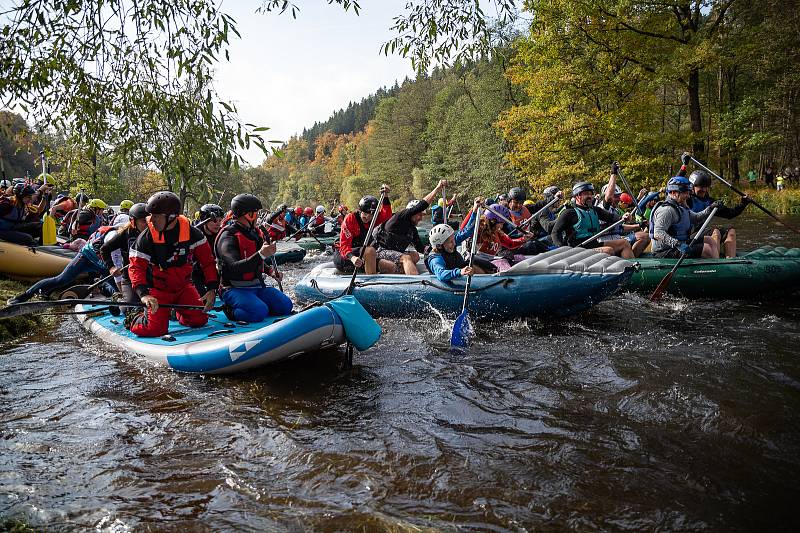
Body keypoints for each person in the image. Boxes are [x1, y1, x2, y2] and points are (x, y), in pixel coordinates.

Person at [127, 191, 217, 337]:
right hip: (157, 291)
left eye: (156, 216)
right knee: (155, 330)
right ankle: (135, 317)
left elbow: (208, 262)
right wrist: (144, 295)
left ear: (171, 217)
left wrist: (212, 289)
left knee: (200, 320)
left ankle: (178, 312)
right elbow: (136, 267)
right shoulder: (146, 237)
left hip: (183, 287)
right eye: (151, 215)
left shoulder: (193, 234)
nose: (151, 220)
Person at [215, 194, 292, 322]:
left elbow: (257, 262)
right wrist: (261, 254)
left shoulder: (255, 232)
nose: (257, 216)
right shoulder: (228, 235)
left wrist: (271, 271)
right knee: (258, 311)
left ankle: (255, 305)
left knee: (285, 306)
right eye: (256, 212)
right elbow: (233, 267)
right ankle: (231, 310)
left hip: (256, 286)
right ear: (248, 214)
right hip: (233, 288)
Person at [8, 216, 120, 304]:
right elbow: (103, 252)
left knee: (119, 290)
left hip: (102, 265)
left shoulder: (131, 239)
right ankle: (23, 296)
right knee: (61, 280)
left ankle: (106, 291)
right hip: (86, 257)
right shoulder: (113, 236)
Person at [373, 180, 449, 275]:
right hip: (380, 252)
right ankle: (414, 282)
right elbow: (422, 205)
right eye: (419, 215)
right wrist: (437, 189)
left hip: (394, 254)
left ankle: (401, 270)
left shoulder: (412, 229)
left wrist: (435, 248)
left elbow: (420, 248)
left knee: (415, 255)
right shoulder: (399, 217)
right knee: (406, 258)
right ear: (411, 212)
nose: (421, 218)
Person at [550, 181, 635, 258]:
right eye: (586, 194)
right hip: (578, 249)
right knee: (608, 250)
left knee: (624, 243)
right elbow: (555, 232)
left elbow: (611, 217)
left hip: (593, 244)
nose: (590, 196)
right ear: (577, 196)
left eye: (591, 194)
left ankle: (632, 271)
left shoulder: (595, 210)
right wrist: (562, 249)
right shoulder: (569, 213)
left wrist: (623, 217)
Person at [650, 176, 721, 259]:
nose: (688, 196)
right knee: (707, 249)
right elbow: (658, 233)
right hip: (665, 251)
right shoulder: (667, 210)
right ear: (673, 193)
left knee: (710, 240)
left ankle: (716, 264)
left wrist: (711, 208)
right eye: (685, 192)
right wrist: (677, 244)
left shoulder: (681, 206)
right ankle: (713, 266)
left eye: (688, 192)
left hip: (680, 243)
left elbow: (696, 217)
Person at [687, 169, 751, 258]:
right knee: (715, 232)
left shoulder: (710, 202)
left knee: (731, 232)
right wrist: (683, 167)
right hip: (690, 235)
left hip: (702, 233)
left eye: (706, 187)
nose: (704, 190)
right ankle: (715, 261)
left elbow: (730, 214)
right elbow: (673, 188)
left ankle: (730, 261)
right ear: (692, 187)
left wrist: (743, 204)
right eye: (701, 187)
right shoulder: (686, 199)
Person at [334, 186, 394, 274]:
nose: (367, 217)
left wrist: (385, 196)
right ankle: (371, 283)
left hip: (363, 256)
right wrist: (352, 258)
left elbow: (387, 214)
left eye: (371, 215)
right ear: (360, 210)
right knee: (370, 250)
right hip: (345, 256)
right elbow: (344, 245)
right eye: (365, 213)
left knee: (391, 267)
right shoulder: (350, 219)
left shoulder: (373, 219)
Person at [425, 197, 487, 281]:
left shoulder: (450, 243)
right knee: (470, 267)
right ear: (439, 246)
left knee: (477, 264)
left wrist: (475, 211)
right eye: (450, 242)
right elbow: (441, 275)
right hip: (446, 280)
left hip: (457, 270)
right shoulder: (435, 258)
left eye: (453, 240)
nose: (454, 244)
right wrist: (459, 272)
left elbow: (467, 231)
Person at [99, 202, 149, 306]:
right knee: (129, 308)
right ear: (133, 222)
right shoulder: (125, 234)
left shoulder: (155, 233)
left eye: (149, 220)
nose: (148, 224)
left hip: (150, 277)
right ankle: (111, 292)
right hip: (130, 278)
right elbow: (104, 249)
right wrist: (111, 267)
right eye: (144, 221)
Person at [596, 165, 650, 257]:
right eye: (616, 196)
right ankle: (629, 263)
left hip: (617, 237)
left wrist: (639, 225)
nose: (618, 199)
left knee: (644, 237)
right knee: (624, 243)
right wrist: (613, 174)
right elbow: (608, 197)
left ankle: (632, 257)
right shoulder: (603, 207)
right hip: (605, 241)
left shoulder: (615, 209)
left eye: (618, 196)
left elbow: (620, 227)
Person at [476, 204, 534, 271]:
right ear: (493, 221)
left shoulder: (497, 232)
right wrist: (474, 210)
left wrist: (524, 239)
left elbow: (511, 244)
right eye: (501, 223)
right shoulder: (479, 230)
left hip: (490, 261)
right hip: (478, 263)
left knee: (518, 258)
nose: (502, 226)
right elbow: (465, 229)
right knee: (502, 262)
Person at [192, 203, 225, 295]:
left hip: (216, 271)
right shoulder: (195, 235)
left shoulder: (223, 234)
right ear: (204, 221)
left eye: (220, 220)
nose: (218, 224)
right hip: (196, 272)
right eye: (214, 221)